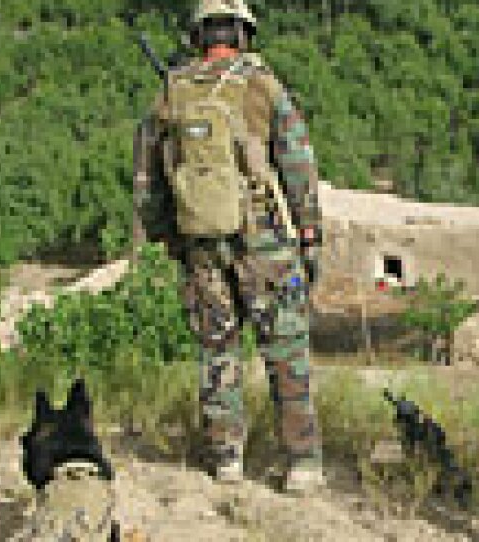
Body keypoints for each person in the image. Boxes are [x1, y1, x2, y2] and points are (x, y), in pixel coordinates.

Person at [132, 0, 325, 493]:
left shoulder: (171, 93)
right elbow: (298, 162)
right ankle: (301, 464)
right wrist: (308, 231)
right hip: (261, 239)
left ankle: (226, 460)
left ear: (198, 36)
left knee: (217, 352)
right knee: (285, 348)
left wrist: (171, 238)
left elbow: (146, 182)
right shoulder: (262, 84)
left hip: (200, 243)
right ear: (242, 33)